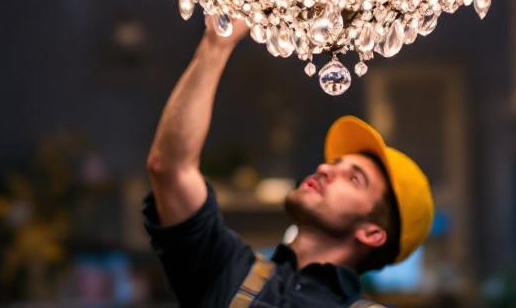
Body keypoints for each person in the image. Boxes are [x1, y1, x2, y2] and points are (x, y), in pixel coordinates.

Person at [144, 16, 434, 307]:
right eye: (335, 164)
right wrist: (218, 44)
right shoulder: (227, 269)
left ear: (371, 234)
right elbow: (170, 169)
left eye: (354, 178)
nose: (324, 168)